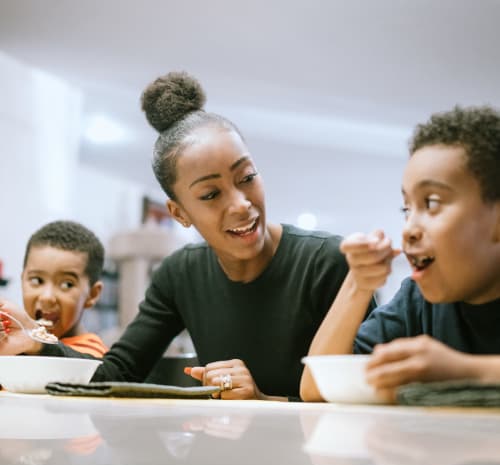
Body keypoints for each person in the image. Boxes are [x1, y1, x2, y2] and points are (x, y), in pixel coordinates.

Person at [0, 71, 370, 401]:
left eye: (247, 177)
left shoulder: (329, 263)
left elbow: (364, 396)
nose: (241, 204)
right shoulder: (180, 275)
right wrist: (37, 344)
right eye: (211, 195)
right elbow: (116, 374)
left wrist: (264, 398)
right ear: (178, 213)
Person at [301, 105, 500, 402]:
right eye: (407, 208)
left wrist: (466, 372)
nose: (409, 228)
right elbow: (315, 388)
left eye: (431, 203)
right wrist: (359, 283)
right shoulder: (416, 301)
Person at [0, 220, 107, 358]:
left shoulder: (92, 356)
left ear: (92, 294)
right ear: (22, 281)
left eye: (67, 284)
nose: (47, 297)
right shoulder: (13, 341)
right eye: (37, 280)